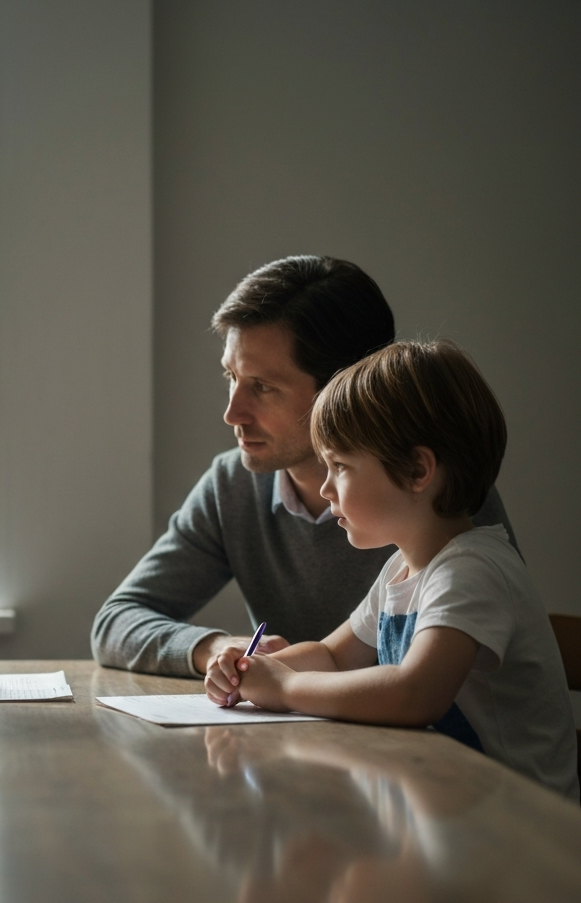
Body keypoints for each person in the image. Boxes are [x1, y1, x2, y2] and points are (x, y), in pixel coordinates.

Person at [91, 255, 514, 678]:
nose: (232, 413)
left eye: (263, 387)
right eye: (230, 378)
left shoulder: (434, 498)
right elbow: (116, 621)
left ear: (345, 388)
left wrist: (286, 688)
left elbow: (435, 694)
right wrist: (217, 648)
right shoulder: (232, 486)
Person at [204, 340, 578, 801]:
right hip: (449, 809)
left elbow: (415, 693)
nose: (325, 487)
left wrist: (286, 687)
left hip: (522, 831)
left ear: (418, 470)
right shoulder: (403, 567)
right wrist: (253, 670)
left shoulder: (472, 570)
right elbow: (334, 656)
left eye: (340, 466)